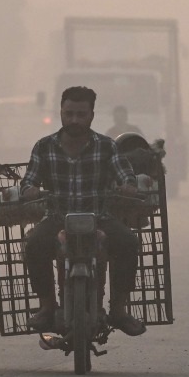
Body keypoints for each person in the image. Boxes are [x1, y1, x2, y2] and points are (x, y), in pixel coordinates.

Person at [19, 86, 146, 336]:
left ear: (91, 115)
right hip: (57, 218)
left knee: (128, 243)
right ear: (61, 113)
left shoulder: (107, 146)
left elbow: (125, 174)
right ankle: (46, 306)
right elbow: (28, 180)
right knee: (34, 244)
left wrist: (128, 186)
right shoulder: (44, 147)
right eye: (69, 113)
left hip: (100, 217)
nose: (74, 120)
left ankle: (119, 310)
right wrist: (29, 190)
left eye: (80, 114)